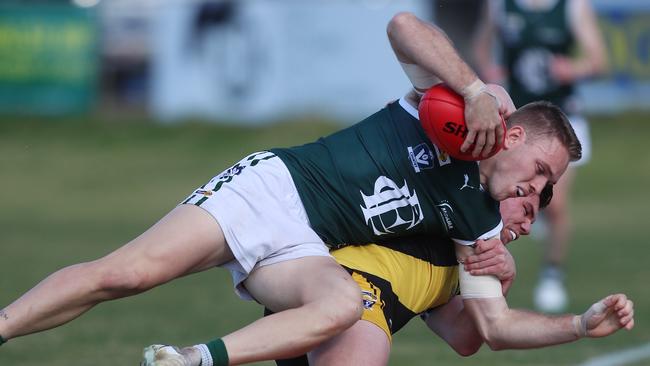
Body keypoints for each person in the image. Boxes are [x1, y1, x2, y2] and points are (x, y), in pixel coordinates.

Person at [0, 12, 578, 365]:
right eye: (543, 169)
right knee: (124, 275)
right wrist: (476, 86)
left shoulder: (479, 222)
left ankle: (193, 359)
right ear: (516, 133)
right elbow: (402, 27)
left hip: (306, 246)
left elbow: (485, 330)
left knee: (342, 303)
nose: (539, 187)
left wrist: (520, 280)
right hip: (273, 190)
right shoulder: (453, 111)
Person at [145, 187, 634, 366]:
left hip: (334, 304)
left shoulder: (466, 266)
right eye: (524, 207)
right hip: (350, 294)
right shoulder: (456, 206)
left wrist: (579, 326)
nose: (527, 226)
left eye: (533, 221)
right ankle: (192, 360)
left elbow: (470, 337)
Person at [473, 0, 609, 313]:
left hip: (562, 120)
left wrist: (573, 69)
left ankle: (552, 274)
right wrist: (488, 70)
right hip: (517, 118)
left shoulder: (573, 6)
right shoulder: (500, 5)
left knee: (555, 203)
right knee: (496, 194)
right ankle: (483, 274)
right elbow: (482, 45)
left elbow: (599, 61)